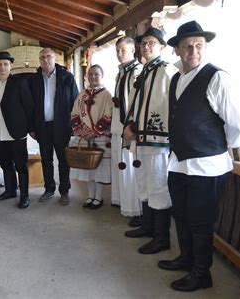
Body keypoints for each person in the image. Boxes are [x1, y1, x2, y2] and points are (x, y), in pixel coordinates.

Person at [158, 21, 240, 292]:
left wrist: (216, 147)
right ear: (177, 50)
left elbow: (236, 125)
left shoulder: (217, 77)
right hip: (179, 163)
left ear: (205, 47)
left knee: (200, 221)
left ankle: (201, 273)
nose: (193, 51)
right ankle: (186, 259)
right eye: (187, 46)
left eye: (198, 46)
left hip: (207, 166)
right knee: (181, 214)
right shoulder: (175, 78)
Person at [123, 28, 177, 254]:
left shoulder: (166, 71)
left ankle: (161, 237)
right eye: (144, 43)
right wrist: (130, 124)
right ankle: (147, 226)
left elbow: (170, 105)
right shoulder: (145, 70)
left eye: (152, 43)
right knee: (144, 181)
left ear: (162, 47)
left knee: (157, 185)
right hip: (141, 138)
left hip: (157, 140)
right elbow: (137, 102)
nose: (146, 46)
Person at [29, 48, 79, 205]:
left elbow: (75, 102)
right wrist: (31, 127)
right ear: (39, 60)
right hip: (42, 126)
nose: (46, 60)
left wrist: (74, 125)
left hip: (62, 125)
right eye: (42, 57)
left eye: (49, 57)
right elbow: (30, 105)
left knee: (64, 160)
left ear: (55, 58)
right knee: (46, 159)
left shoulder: (67, 77)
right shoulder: (34, 79)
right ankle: (49, 188)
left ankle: (64, 190)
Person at [0, 52, 34, 209]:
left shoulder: (19, 83)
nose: (2, 67)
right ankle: (10, 190)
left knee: (21, 165)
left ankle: (24, 196)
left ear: (11, 66)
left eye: (6, 64)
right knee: (5, 163)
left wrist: (30, 128)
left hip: (16, 131)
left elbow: (29, 107)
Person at [70, 65, 113, 209]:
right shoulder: (81, 95)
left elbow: (109, 114)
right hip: (84, 136)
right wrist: (81, 130)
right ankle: (90, 196)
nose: (93, 77)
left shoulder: (107, 95)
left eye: (97, 74)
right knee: (87, 167)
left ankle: (99, 198)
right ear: (87, 76)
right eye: (91, 74)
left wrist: (95, 131)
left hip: (100, 136)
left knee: (99, 168)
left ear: (102, 75)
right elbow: (74, 113)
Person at [111, 36, 143, 226]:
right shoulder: (121, 72)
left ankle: (136, 209)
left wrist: (130, 125)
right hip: (117, 126)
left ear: (133, 50)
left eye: (123, 50)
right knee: (121, 167)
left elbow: (135, 102)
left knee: (131, 169)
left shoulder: (136, 71)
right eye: (117, 50)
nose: (119, 53)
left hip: (128, 127)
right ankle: (124, 203)